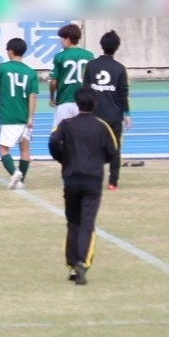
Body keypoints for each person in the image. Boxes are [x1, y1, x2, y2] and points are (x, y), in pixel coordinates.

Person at [48, 87, 120, 284]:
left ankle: (72, 265)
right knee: (87, 223)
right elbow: (113, 151)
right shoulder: (101, 126)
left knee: (73, 222)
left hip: (71, 179)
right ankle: (82, 262)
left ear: (77, 103)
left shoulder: (66, 124)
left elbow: (53, 141)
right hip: (92, 180)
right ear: (95, 103)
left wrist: (63, 158)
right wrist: (100, 161)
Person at [0, 37, 39, 190]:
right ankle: (21, 180)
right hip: (24, 116)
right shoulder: (31, 72)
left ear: (10, 51)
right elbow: (33, 96)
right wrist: (31, 117)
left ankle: (14, 172)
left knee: (3, 148)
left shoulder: (1, 68)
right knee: (25, 149)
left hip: (7, 116)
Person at [84, 30, 131, 190]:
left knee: (92, 149)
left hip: (94, 115)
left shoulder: (91, 66)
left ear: (101, 45)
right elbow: (123, 94)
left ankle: (92, 179)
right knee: (115, 149)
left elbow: (85, 90)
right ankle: (113, 182)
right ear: (117, 47)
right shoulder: (120, 69)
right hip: (114, 115)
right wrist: (127, 114)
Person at [49, 23, 93, 126]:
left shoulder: (60, 56)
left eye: (62, 38)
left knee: (60, 132)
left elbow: (53, 82)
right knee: (82, 132)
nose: (61, 41)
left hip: (65, 99)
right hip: (83, 102)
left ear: (67, 39)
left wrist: (52, 97)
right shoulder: (89, 55)